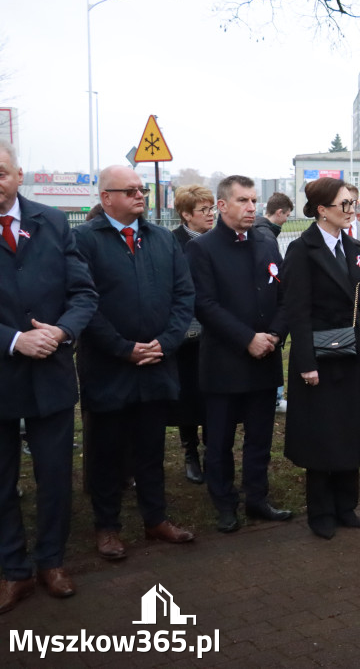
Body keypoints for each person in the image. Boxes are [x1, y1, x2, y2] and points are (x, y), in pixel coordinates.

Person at [75, 165, 196, 560]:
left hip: (158, 364)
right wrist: (122, 348)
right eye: (129, 191)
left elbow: (183, 295)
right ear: (106, 198)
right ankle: (107, 527)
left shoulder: (162, 239)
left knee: (151, 448)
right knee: (107, 451)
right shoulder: (84, 240)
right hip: (109, 367)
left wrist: (167, 341)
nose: (139, 195)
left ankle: (155, 518)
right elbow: (83, 302)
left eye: (141, 189)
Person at [0, 140, 97, 613]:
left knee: (55, 476)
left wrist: (61, 330)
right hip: (3, 372)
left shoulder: (54, 222)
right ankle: (13, 570)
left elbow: (83, 293)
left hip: (52, 376)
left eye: (0, 172)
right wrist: (14, 340)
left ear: (19, 175)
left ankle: (52, 561)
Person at [186, 175, 291, 533]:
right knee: (219, 441)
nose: (252, 208)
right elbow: (205, 304)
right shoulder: (202, 248)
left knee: (260, 437)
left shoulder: (265, 242)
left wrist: (275, 334)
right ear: (221, 205)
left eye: (254, 201)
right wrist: (247, 338)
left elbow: (283, 297)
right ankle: (224, 503)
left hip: (265, 359)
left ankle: (257, 498)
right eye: (244, 201)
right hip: (225, 362)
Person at [282, 178, 360, 538]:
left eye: (353, 203)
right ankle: (321, 512)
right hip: (319, 359)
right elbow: (297, 311)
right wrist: (306, 362)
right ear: (322, 210)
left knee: (352, 430)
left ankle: (346, 506)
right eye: (344, 204)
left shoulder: (355, 247)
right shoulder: (301, 250)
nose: (351, 209)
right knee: (322, 435)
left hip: (353, 353)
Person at [170, 184, 216, 484]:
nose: (211, 214)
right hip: (185, 332)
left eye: (212, 208)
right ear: (187, 215)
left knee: (213, 393)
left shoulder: (218, 240)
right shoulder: (171, 242)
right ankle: (190, 452)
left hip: (215, 330)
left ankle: (214, 449)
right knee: (187, 394)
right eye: (204, 210)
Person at [249, 192, 292, 415]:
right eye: (286, 215)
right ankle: (276, 397)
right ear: (278, 212)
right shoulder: (266, 235)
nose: (286, 220)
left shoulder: (260, 230)